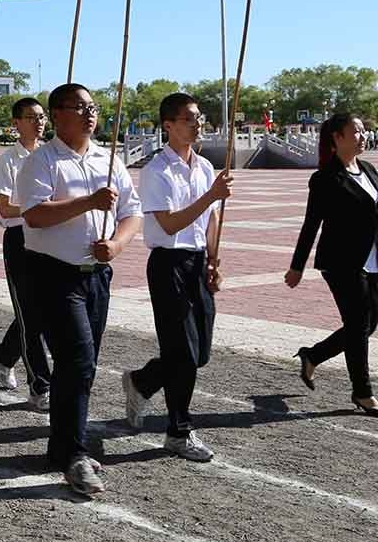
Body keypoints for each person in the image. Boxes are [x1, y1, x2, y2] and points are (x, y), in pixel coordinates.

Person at [15, 82, 142, 498]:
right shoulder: (42, 161)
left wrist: (118, 244)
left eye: (93, 107)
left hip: (95, 275)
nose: (90, 114)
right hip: (53, 273)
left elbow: (130, 212)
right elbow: (33, 215)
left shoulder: (109, 160)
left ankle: (62, 445)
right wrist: (87, 202)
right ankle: (73, 452)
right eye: (79, 107)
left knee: (81, 363)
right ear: (57, 115)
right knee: (78, 358)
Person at [286, 112, 378, 417]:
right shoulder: (324, 179)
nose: (363, 136)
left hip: (371, 259)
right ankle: (362, 392)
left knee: (367, 325)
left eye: (363, 132)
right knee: (359, 327)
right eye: (356, 132)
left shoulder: (370, 170)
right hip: (339, 262)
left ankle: (313, 355)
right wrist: (297, 267)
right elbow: (311, 226)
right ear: (337, 138)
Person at [121, 93, 233, 461]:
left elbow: (211, 218)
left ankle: (143, 380)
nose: (196, 124)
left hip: (197, 262)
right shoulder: (156, 171)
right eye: (188, 118)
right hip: (169, 264)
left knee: (199, 352)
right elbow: (168, 223)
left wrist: (214, 259)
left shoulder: (203, 167)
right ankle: (178, 431)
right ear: (168, 125)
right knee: (182, 353)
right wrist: (211, 195)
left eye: (198, 118)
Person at [0, 97, 53, 410]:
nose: (39, 122)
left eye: (42, 117)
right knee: (29, 312)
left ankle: (4, 353)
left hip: (49, 235)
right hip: (19, 238)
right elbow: (4, 208)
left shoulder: (52, 155)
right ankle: (40, 385)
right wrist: (36, 209)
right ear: (16, 122)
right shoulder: (8, 160)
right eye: (31, 117)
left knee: (38, 312)